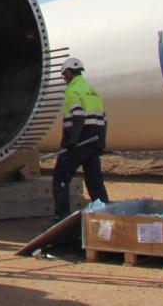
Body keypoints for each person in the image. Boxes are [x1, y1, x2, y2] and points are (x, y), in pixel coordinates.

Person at [51, 57, 110, 222]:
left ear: (69, 73)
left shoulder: (72, 90)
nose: (64, 78)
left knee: (61, 177)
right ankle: (104, 214)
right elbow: (104, 118)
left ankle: (61, 217)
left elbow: (77, 115)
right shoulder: (93, 91)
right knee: (95, 180)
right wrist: (101, 143)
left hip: (79, 142)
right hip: (93, 142)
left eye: (64, 75)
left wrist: (72, 142)